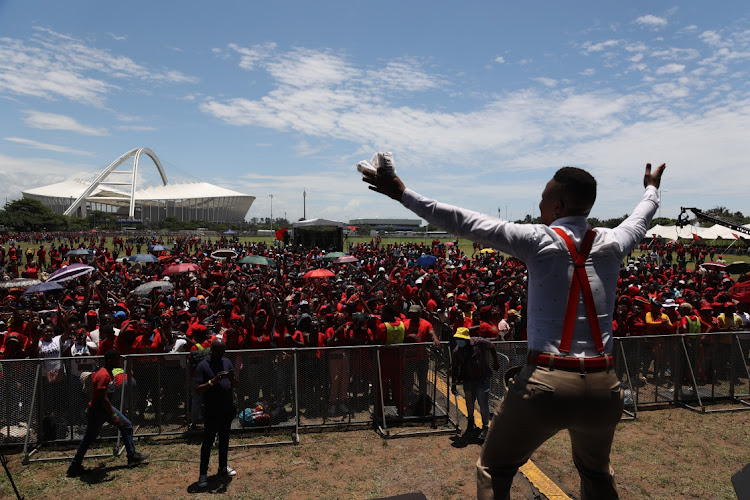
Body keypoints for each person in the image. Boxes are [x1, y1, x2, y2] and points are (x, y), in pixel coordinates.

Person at [363, 154, 665, 499]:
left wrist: (402, 192)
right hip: (605, 384)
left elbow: (465, 221)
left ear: (559, 204)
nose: (539, 202)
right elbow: (643, 215)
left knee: (495, 469)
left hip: (548, 380)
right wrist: (652, 189)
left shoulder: (539, 239)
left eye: (543, 196)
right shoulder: (614, 242)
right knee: (596, 473)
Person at [67, 349, 149, 477]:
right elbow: (102, 398)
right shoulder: (104, 375)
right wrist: (114, 416)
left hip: (106, 407)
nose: (120, 362)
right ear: (110, 361)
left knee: (126, 425)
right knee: (88, 439)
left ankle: (132, 457)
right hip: (98, 410)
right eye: (118, 359)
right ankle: (74, 466)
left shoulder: (109, 373)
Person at [194, 338, 237, 488]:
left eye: (224, 351)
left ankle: (222, 468)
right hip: (212, 409)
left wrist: (232, 378)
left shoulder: (227, 362)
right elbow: (198, 389)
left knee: (224, 440)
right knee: (208, 442)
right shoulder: (203, 365)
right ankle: (203, 474)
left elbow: (235, 384)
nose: (223, 354)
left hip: (226, 408)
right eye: (220, 351)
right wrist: (214, 380)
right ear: (213, 350)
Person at [451, 327, 500, 439]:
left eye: (461, 339)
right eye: (457, 338)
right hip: (468, 380)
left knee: (483, 404)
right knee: (469, 403)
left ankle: (485, 427)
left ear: (467, 339)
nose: (459, 341)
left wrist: (495, 361)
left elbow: (491, 346)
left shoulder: (478, 342)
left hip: (482, 379)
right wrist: (453, 384)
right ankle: (470, 423)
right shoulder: (457, 351)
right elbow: (454, 368)